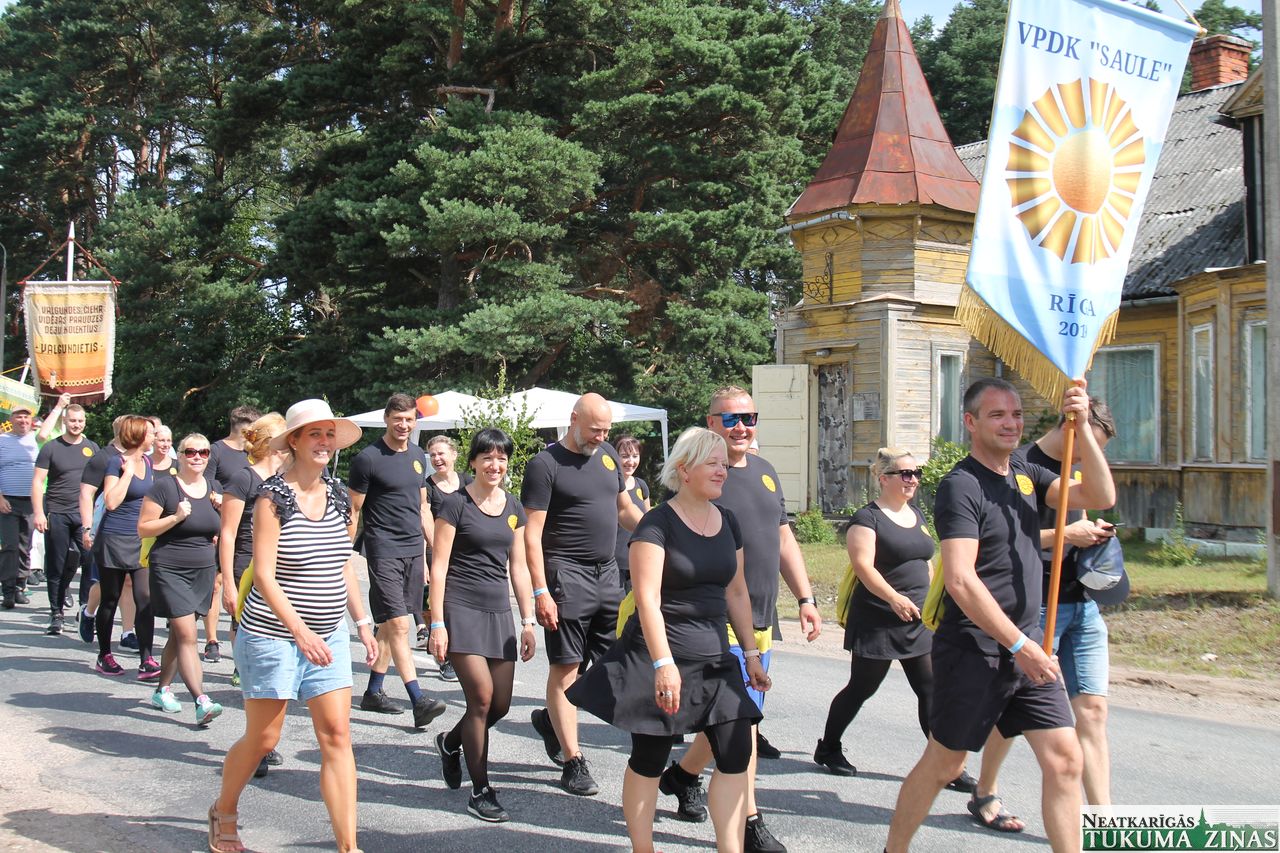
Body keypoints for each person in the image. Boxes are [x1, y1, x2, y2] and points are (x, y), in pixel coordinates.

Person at [884, 378, 1116, 853]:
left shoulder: (1026, 473)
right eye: (997, 415)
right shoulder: (961, 485)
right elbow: (960, 579)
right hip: (976, 649)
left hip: (1028, 648)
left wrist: (1083, 428)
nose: (1011, 424)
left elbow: (1098, 494)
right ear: (970, 422)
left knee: (1065, 760)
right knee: (945, 764)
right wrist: (1020, 645)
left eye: (1016, 415)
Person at [568, 427, 770, 853]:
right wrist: (663, 665)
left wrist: (751, 653)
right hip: (660, 655)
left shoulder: (728, 521)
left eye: (724, 464)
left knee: (736, 751)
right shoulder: (656, 523)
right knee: (650, 757)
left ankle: (730, 847)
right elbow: (648, 600)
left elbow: (736, 592)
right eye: (713, 463)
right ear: (685, 470)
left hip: (715, 658)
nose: (723, 471)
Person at [659, 386, 821, 852]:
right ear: (711, 423)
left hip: (762, 617)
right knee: (742, 726)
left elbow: (784, 538)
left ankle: (683, 774)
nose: (742, 427)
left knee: (736, 719)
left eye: (749, 417)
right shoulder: (704, 475)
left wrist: (806, 597)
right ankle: (749, 822)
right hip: (719, 619)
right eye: (730, 419)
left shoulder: (766, 471)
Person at [211, 399, 377, 853]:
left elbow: (342, 564)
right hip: (273, 636)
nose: (324, 442)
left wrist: (362, 622)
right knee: (264, 738)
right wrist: (301, 633)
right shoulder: (272, 498)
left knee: (337, 736)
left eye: (329, 434)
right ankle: (224, 810)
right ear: (296, 442)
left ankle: (349, 847)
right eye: (315, 434)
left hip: (329, 636)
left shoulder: (340, 495)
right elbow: (264, 575)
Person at [970, 399, 1120, 831]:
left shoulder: (1079, 467)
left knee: (1092, 710)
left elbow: (1099, 499)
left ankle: (1103, 822)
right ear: (1069, 427)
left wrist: (1091, 536)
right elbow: (1002, 539)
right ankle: (985, 789)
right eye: (1091, 444)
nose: (1093, 455)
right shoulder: (1021, 465)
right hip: (1035, 604)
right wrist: (1065, 534)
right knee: (1017, 705)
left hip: (1081, 602)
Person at [813, 448, 975, 789]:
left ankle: (946, 766)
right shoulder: (867, 518)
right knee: (862, 687)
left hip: (918, 620)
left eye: (916, 473)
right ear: (883, 478)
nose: (913, 480)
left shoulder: (916, 514)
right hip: (878, 619)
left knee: (930, 688)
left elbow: (925, 561)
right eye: (905, 474)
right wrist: (894, 598)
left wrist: (936, 600)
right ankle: (828, 747)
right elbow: (863, 566)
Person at [522, 392, 643, 796]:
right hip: (566, 576)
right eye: (594, 430)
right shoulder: (545, 465)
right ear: (573, 419)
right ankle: (573, 761)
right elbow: (532, 535)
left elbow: (624, 508)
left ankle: (550, 720)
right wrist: (541, 590)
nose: (601, 437)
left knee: (613, 662)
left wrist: (657, 531)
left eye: (606, 430)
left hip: (607, 574)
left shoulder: (607, 455)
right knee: (567, 667)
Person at [427, 428, 536, 822]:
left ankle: (449, 742)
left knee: (500, 706)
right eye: (487, 457)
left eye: (502, 458)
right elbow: (439, 567)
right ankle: (481, 791)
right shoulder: (454, 504)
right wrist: (437, 622)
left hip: (498, 612)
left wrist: (527, 621)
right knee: (482, 699)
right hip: (461, 609)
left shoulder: (514, 507)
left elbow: (518, 567)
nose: (495, 465)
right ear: (472, 461)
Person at [348, 393, 445, 728]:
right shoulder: (368, 459)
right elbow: (354, 510)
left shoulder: (418, 456)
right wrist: (340, 555)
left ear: (415, 422)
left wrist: (437, 551)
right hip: (383, 549)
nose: (403, 425)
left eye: (409, 420)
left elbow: (423, 507)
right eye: (397, 419)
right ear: (386, 419)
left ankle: (373, 692)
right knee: (401, 625)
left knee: (391, 626)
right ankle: (419, 700)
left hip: (413, 551)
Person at [218, 412, 288, 774]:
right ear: (272, 444)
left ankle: (265, 739)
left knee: (276, 661)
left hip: (279, 573)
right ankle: (257, 743)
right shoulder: (243, 478)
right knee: (258, 662)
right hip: (247, 570)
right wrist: (229, 583)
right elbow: (228, 533)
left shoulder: (284, 481)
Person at [138, 433, 223, 723]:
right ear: (180, 455)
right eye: (190, 452)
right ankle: (202, 700)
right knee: (188, 635)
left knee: (178, 635)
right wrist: (175, 517)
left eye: (203, 452)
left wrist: (222, 509)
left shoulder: (214, 488)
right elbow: (143, 528)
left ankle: (162, 690)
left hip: (203, 570)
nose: (197, 457)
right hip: (170, 569)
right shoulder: (165, 487)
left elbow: (222, 530)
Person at [91, 415, 158, 678]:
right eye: (150, 433)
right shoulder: (115, 462)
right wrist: (127, 473)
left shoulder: (149, 462)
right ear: (139, 436)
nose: (154, 437)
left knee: (145, 599)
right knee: (110, 599)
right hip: (114, 539)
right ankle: (104, 654)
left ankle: (147, 658)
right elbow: (111, 502)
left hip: (139, 540)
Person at [32, 394, 99, 634]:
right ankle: (56, 613)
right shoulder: (51, 447)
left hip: (84, 516)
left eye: (80, 421)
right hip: (57, 513)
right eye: (72, 420)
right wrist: (39, 513)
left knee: (90, 561)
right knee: (56, 565)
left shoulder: (92, 448)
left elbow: (102, 484)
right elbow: (37, 482)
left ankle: (84, 609)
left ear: (85, 422)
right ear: (65, 421)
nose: (76, 424)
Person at [203, 405, 261, 666]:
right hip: (220, 521)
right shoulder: (217, 450)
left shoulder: (254, 454)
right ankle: (211, 639)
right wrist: (215, 497)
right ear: (243, 428)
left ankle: (240, 656)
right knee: (217, 583)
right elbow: (204, 481)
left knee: (245, 589)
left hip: (247, 527)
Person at [78, 417, 136, 647]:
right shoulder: (104, 458)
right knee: (107, 583)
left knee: (129, 581)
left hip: (133, 530)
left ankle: (127, 633)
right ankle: (89, 611)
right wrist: (87, 528)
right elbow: (86, 494)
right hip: (108, 529)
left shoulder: (142, 459)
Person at [422, 435, 471, 677]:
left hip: (465, 553)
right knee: (440, 604)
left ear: (454, 454)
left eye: (441, 453)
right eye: (432, 455)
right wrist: (425, 561)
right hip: (438, 552)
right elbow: (423, 523)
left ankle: (463, 651)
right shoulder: (427, 487)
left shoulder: (467, 481)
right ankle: (445, 657)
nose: (437, 459)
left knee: (462, 604)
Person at [0, 405, 39, 609]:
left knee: (26, 545)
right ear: (11, 419)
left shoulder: (36, 439)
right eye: (18, 417)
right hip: (7, 501)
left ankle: (19, 587)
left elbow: (49, 428)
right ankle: (7, 589)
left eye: (26, 417)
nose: (23, 420)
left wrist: (60, 405)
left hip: (30, 501)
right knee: (10, 546)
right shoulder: (2, 440)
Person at [613, 435, 651, 592]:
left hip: (639, 562)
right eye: (625, 456)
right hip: (614, 566)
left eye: (635, 456)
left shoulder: (641, 485)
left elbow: (649, 521)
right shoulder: (609, 485)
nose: (631, 461)